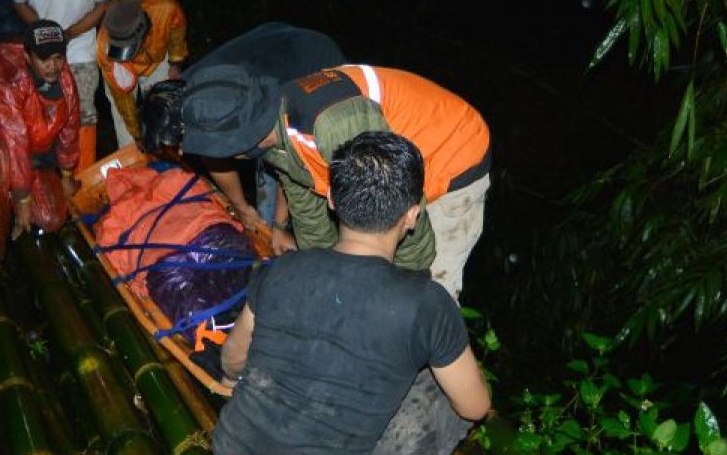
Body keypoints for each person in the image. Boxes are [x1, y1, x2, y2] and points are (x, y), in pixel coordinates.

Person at [212, 132, 490, 455]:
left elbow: (232, 360)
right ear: (413, 215)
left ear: (333, 204)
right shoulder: (426, 305)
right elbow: (476, 407)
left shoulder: (282, 268)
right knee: (450, 401)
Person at [162, 61, 491, 300]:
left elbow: (402, 213)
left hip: (452, 156)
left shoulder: (330, 125)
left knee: (428, 294)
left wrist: (406, 288)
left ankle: (431, 379)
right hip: (393, 167)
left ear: (237, 143)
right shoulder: (272, 132)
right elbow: (307, 201)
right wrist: (318, 270)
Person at [140, 22, 345, 251]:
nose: (180, 151)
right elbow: (212, 151)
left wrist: (278, 224)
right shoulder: (182, 96)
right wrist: (241, 207)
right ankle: (264, 222)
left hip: (313, 66)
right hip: (271, 50)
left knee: (305, 180)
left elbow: (293, 155)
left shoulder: (216, 105)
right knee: (261, 152)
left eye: (178, 143)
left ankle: (284, 232)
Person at [0, 20, 80, 279]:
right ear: (27, 56)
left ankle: (15, 200)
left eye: (58, 58)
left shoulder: (66, 81)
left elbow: (70, 128)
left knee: (50, 217)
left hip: (32, 152)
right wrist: (23, 198)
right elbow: (15, 138)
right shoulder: (9, 78)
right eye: (44, 59)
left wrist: (67, 175)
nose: (53, 66)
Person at [11, 0, 113, 170]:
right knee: (38, 109)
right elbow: (19, 2)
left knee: (84, 112)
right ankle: (40, 173)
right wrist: (46, 33)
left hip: (80, 47)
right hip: (41, 50)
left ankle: (82, 176)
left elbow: (103, 4)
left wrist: (68, 33)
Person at [96, 0, 189, 148]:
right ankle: (131, 154)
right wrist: (137, 134)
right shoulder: (105, 50)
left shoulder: (166, 9)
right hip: (122, 67)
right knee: (122, 116)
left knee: (164, 106)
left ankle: (171, 151)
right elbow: (123, 99)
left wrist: (175, 62)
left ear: (144, 31)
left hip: (157, 57)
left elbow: (177, 30)